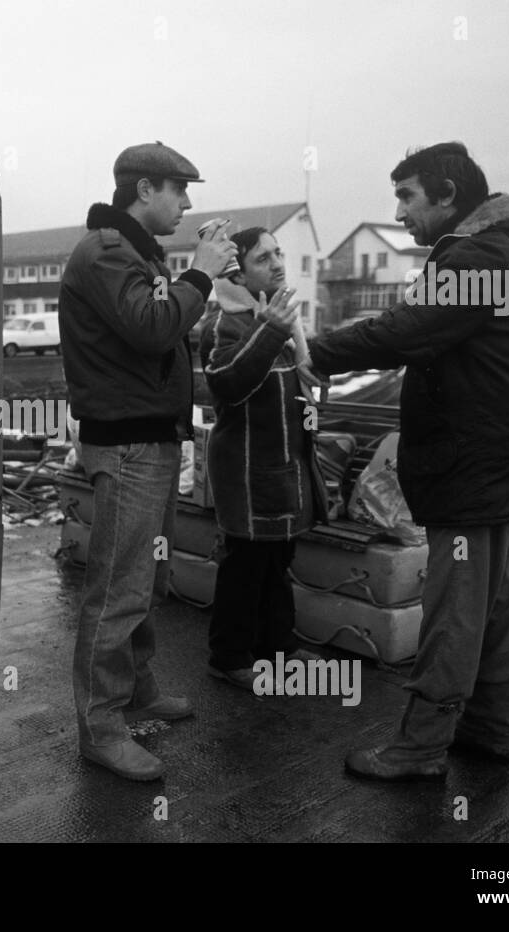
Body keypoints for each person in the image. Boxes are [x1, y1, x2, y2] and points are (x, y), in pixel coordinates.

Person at [304, 142, 509, 780]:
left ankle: (419, 748)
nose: (400, 211)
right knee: (494, 602)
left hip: (474, 462)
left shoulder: (478, 257)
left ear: (447, 195)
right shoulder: (495, 253)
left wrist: (318, 352)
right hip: (501, 457)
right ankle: (491, 729)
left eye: (407, 196)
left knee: (455, 609)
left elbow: (408, 328)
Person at [59, 142, 237, 781]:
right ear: (143, 190)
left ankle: (136, 688)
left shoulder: (133, 252)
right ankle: (101, 729)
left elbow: (155, 339)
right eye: (179, 191)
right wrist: (201, 274)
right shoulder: (106, 251)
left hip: (152, 440)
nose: (186, 204)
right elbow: (152, 327)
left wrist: (196, 279)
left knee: (148, 578)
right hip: (130, 445)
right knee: (118, 588)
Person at [199, 228, 326, 689]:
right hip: (248, 472)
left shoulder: (285, 324)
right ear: (238, 272)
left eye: (278, 254)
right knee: (245, 566)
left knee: (278, 560)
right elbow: (228, 382)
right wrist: (270, 329)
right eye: (261, 258)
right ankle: (229, 656)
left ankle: (279, 647)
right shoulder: (225, 324)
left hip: (285, 467)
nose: (275, 263)